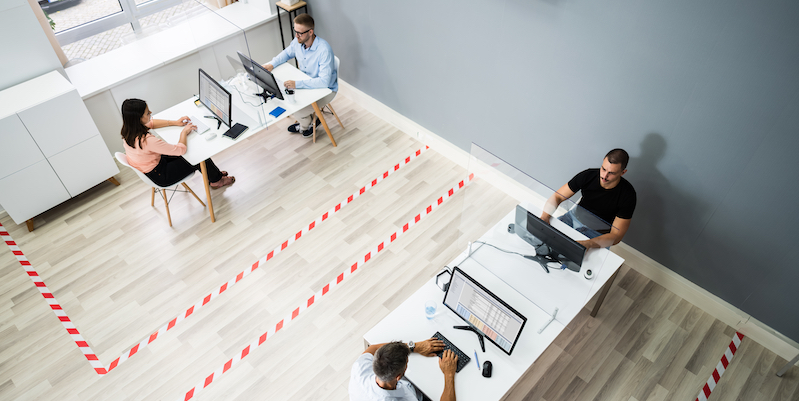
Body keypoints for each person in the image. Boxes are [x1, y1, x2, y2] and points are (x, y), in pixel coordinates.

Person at [120, 98, 235, 189]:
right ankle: (216, 181)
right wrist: (184, 133)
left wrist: (175, 122)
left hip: (151, 167)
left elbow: (152, 123)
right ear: (138, 118)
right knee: (198, 157)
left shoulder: (129, 130)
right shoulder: (147, 140)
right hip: (161, 175)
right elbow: (180, 150)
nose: (150, 113)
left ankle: (214, 175)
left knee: (193, 155)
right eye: (147, 113)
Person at [541, 148, 636, 249]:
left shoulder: (628, 195)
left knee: (573, 260)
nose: (604, 176)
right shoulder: (588, 175)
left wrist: (589, 244)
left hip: (597, 234)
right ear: (603, 161)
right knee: (540, 241)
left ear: (623, 172)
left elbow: (615, 236)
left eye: (611, 173)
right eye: (603, 169)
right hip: (572, 219)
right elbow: (558, 196)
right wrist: (545, 217)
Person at [262, 13, 337, 138]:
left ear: (310, 32)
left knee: (294, 109)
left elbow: (324, 82)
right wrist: (272, 64)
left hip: (324, 90)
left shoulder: (323, 50)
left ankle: (306, 125)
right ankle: (309, 120)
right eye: (295, 31)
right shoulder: (298, 41)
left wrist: (297, 84)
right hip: (306, 83)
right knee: (285, 98)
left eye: (300, 33)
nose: (296, 35)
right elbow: (286, 54)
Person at [349, 340, 457, 401]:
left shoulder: (360, 367)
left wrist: (414, 346)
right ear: (398, 376)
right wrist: (449, 373)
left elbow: (373, 348)